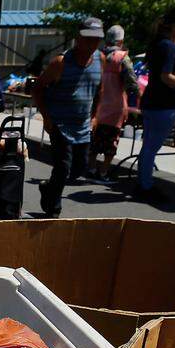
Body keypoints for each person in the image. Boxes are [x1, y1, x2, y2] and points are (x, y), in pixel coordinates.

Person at [32, 17, 105, 218]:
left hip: (83, 125)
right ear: (78, 38)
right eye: (88, 39)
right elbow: (37, 89)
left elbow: (100, 90)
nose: (92, 44)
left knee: (79, 168)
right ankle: (53, 209)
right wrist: (46, 117)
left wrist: (95, 117)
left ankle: (48, 187)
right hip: (60, 124)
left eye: (96, 39)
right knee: (63, 167)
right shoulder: (61, 63)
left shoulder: (100, 60)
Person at [136, 7, 175, 201]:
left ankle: (144, 182)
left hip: (153, 101)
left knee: (148, 145)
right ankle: (145, 186)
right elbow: (166, 76)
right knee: (151, 147)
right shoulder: (167, 47)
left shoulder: (159, 44)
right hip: (163, 104)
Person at [89, 25, 139, 182]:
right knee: (111, 142)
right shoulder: (122, 58)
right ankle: (103, 173)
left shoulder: (97, 56)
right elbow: (132, 83)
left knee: (94, 140)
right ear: (121, 41)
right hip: (115, 106)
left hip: (96, 106)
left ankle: (91, 169)